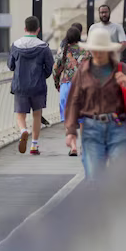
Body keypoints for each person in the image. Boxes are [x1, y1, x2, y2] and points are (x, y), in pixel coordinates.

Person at [64, 27, 126, 179]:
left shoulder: (121, 69)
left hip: (117, 126)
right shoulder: (83, 71)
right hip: (91, 127)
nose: (98, 54)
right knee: (94, 176)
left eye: (101, 50)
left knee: (120, 176)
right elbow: (74, 101)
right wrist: (71, 131)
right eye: (94, 50)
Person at [8, 16, 54, 155]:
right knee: (37, 115)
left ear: (25, 28)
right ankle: (34, 145)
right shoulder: (44, 47)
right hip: (38, 86)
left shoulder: (16, 45)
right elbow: (49, 67)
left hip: (20, 85)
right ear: (38, 29)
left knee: (20, 115)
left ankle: (23, 130)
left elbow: (10, 65)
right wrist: (42, 76)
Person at [52, 26, 90, 155]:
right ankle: (84, 146)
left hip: (66, 86)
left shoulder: (63, 50)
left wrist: (57, 84)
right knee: (83, 119)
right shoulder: (86, 50)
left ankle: (73, 146)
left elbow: (55, 70)